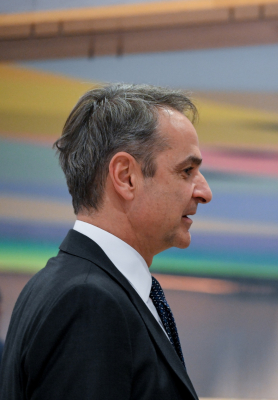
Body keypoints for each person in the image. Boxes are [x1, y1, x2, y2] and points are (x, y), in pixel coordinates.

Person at [0, 84, 212, 399]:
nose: (205, 192)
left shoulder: (69, 286)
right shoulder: (88, 301)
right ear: (126, 176)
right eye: (186, 171)